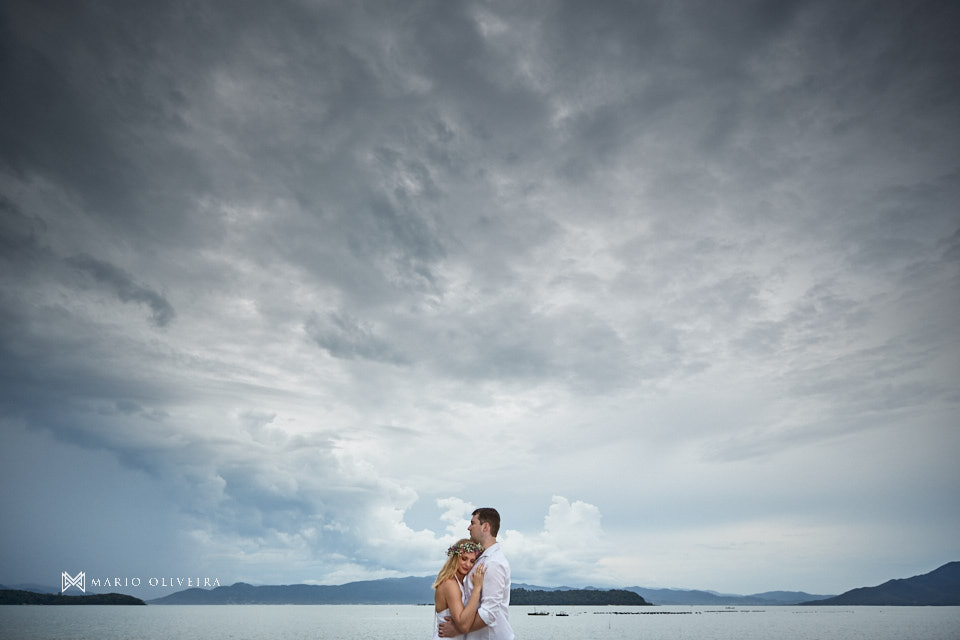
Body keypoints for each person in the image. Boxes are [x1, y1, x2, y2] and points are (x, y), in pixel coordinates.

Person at [439, 507, 514, 640]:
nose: (469, 528)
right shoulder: (481, 559)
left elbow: (489, 612)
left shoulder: (493, 563)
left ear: (485, 527)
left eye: (473, 523)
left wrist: (458, 630)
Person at [432, 538, 487, 640]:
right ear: (455, 558)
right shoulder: (450, 584)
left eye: (472, 561)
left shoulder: (460, 584)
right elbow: (464, 626)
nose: (468, 564)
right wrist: (477, 588)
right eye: (464, 559)